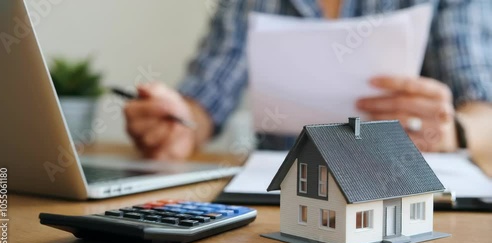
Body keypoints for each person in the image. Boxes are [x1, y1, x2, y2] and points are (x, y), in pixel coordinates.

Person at [124, 0, 492, 162]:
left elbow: (486, 115)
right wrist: (177, 124)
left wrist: (452, 131)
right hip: (279, 197)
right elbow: (207, 96)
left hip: (399, 185)